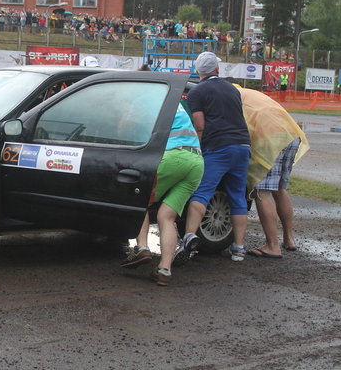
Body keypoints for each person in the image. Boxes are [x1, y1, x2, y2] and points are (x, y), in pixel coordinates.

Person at [176, 51, 251, 262]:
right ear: (217, 69)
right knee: (237, 196)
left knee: (202, 192)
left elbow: (200, 125)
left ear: (198, 71)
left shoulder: (197, 93)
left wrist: (195, 149)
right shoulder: (233, 89)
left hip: (218, 147)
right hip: (242, 146)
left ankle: (189, 238)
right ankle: (239, 248)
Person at [121, 102, 204, 286]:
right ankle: (164, 270)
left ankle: (141, 247)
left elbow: (124, 128)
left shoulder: (144, 99)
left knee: (138, 198)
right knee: (167, 216)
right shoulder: (173, 99)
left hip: (173, 157)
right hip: (196, 161)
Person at [233, 84, 309, 258]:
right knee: (279, 189)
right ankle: (289, 240)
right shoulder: (250, 93)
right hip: (291, 134)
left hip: (270, 137)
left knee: (262, 190)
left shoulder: (232, 97)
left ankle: (272, 246)